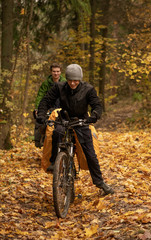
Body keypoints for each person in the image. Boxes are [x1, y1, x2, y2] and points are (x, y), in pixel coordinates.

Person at [37, 64, 114, 195]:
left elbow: (97, 105)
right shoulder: (59, 87)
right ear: (66, 79)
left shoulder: (88, 89)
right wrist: (41, 115)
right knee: (57, 132)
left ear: (80, 79)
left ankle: (100, 183)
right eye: (70, 80)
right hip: (64, 119)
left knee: (90, 153)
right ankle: (55, 162)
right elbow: (46, 101)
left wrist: (94, 115)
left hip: (81, 121)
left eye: (76, 80)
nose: (73, 83)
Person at [34, 63, 66, 148]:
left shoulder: (65, 82)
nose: (56, 73)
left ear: (60, 72)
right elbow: (40, 96)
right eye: (54, 71)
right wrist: (37, 108)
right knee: (41, 122)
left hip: (61, 106)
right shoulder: (46, 84)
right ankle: (40, 140)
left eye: (58, 71)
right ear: (51, 72)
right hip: (49, 106)